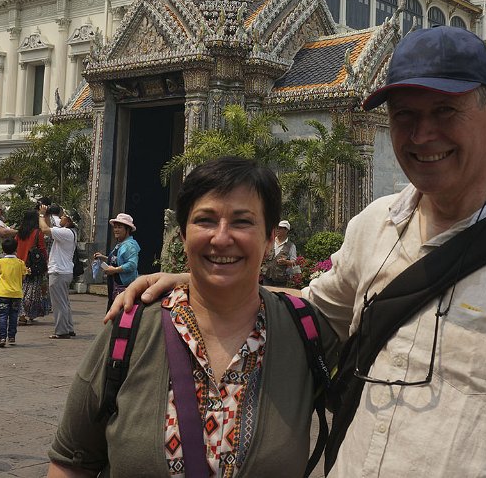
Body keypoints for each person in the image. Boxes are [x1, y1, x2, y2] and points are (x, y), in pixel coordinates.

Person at [114, 26, 486, 477]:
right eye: (404, 116)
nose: (422, 135)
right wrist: (204, 282)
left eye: (444, 112)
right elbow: (307, 314)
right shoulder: (375, 226)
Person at [47, 157, 338, 477]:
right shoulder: (131, 330)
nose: (221, 237)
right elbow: (71, 461)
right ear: (183, 235)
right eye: (205, 220)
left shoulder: (304, 333)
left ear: (270, 238)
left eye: (242, 222)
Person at [39, 206, 77, 339]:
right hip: (65, 271)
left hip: (59, 271)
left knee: (58, 303)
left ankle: (62, 331)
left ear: (69, 220)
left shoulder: (65, 233)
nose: (61, 217)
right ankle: (68, 328)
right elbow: (49, 227)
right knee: (64, 302)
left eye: (64, 216)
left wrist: (41, 215)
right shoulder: (69, 232)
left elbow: (45, 229)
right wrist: (46, 216)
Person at [92, 212, 139, 309]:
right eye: (115, 227)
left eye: (119, 227)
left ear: (128, 229)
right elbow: (118, 260)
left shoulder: (129, 246)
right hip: (114, 288)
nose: (116, 230)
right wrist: (103, 257)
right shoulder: (120, 244)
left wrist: (114, 270)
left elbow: (132, 265)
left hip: (122, 289)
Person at [15, 210, 51, 325]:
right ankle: (24, 314)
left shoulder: (20, 232)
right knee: (31, 291)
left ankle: (24, 314)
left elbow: (15, 245)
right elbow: (42, 248)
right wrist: (46, 261)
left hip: (20, 263)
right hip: (32, 265)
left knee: (21, 289)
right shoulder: (37, 233)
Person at [0, 237, 28, 348]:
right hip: (16, 294)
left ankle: (2, 337)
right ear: (16, 248)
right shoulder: (20, 262)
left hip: (3, 293)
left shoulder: (0, 262)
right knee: (14, 315)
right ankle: (12, 336)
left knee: (2, 315)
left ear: (3, 249)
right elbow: (23, 277)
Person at [261, 219, 297, 285]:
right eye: (277, 227)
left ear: (286, 230)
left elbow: (294, 262)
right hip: (266, 277)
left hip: (280, 280)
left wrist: (286, 262)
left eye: (280, 228)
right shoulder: (270, 241)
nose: (277, 229)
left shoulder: (291, 246)